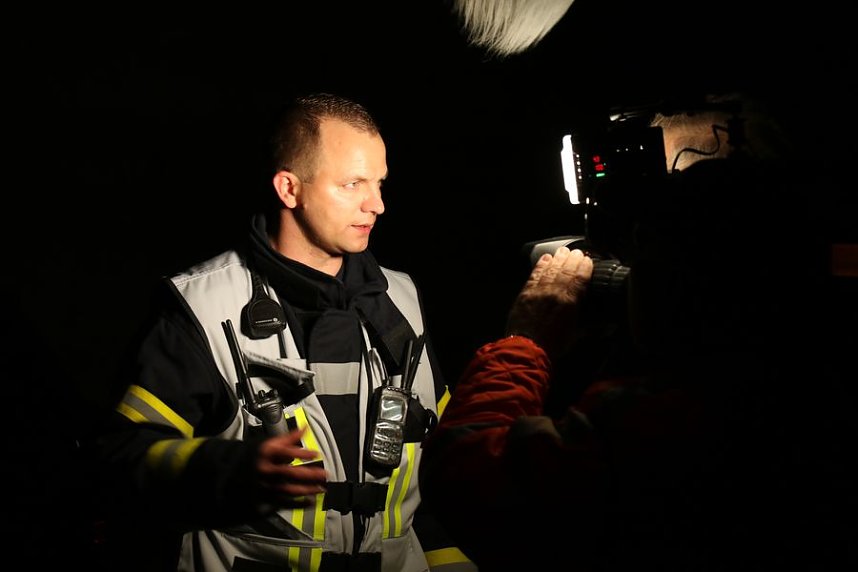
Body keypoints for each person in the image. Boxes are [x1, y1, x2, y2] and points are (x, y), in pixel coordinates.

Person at [418, 96, 858, 570]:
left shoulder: (663, 421)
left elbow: (468, 475)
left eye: (647, 257)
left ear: (680, 283)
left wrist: (527, 342)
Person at [85, 92, 476, 572]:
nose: (377, 205)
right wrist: (225, 469)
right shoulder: (203, 308)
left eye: (378, 183)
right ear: (290, 189)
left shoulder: (403, 301)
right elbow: (120, 457)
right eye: (352, 184)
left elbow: (445, 463)